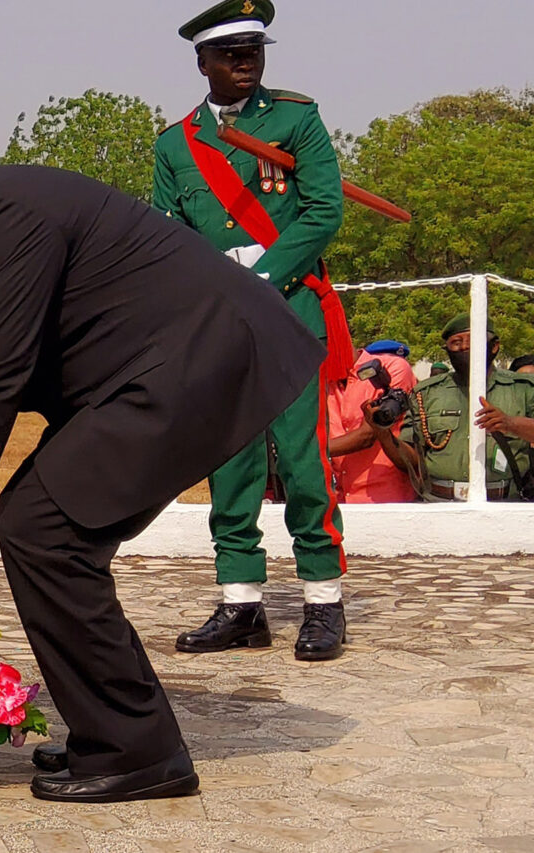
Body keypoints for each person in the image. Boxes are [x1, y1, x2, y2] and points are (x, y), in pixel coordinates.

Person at [0, 159, 325, 802]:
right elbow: (3, 378)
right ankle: (111, 735)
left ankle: (136, 749)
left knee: (42, 524)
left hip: (197, 354)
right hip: (154, 367)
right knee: (37, 519)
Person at [153, 0, 351, 662]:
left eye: (254, 51)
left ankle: (324, 600)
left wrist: (262, 278)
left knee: (301, 457)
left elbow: (323, 208)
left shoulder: (297, 118)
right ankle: (242, 602)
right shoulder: (175, 144)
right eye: (231, 54)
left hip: (286, 301)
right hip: (220, 313)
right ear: (201, 61)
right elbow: (167, 231)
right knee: (231, 458)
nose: (246, 63)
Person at [369, 314, 534, 501]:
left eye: (472, 340)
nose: (464, 347)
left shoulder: (523, 389)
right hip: (440, 505)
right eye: (456, 342)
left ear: (494, 346)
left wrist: (510, 423)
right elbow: (411, 460)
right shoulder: (426, 393)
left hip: (504, 504)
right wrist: (381, 431)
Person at [327, 340, 417, 503]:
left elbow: (367, 435)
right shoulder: (325, 383)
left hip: (387, 499)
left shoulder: (392, 368)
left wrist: (306, 451)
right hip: (342, 499)